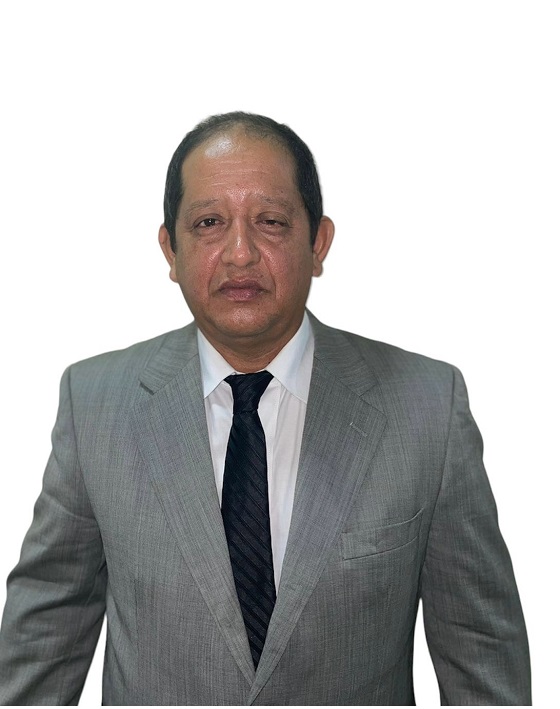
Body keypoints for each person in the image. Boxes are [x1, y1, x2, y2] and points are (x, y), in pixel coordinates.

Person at [0, 112, 530, 705]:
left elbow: (480, 647)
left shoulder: (427, 407)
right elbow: (47, 630)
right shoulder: (95, 403)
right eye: (209, 223)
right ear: (170, 249)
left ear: (318, 242)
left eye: (271, 222)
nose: (240, 253)